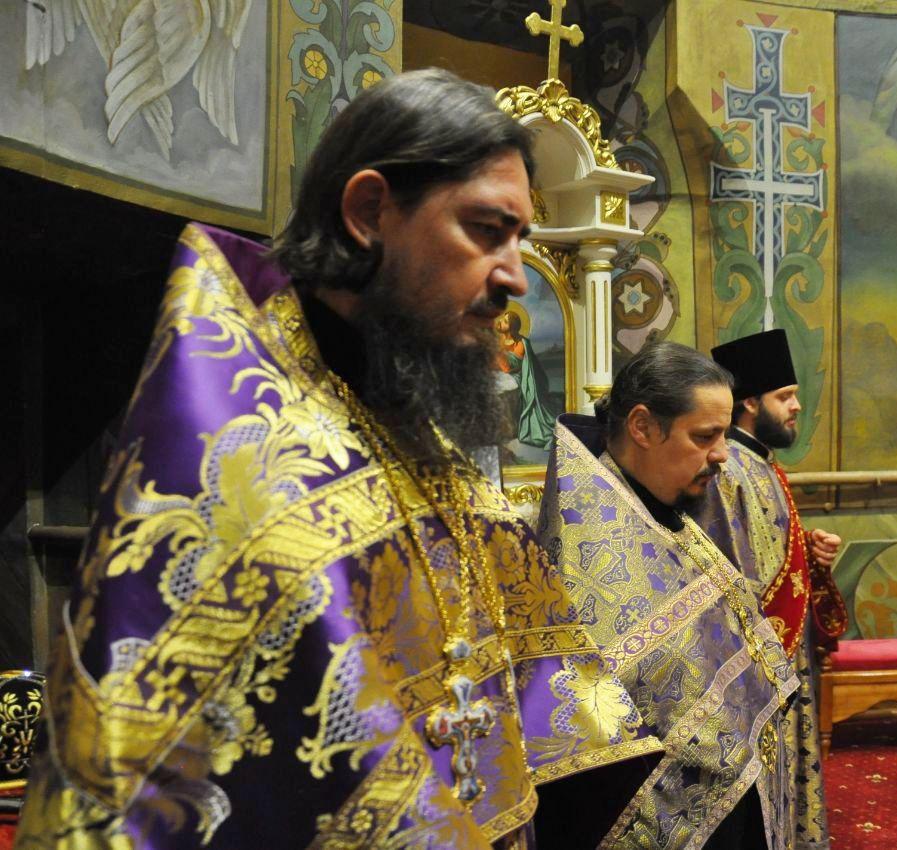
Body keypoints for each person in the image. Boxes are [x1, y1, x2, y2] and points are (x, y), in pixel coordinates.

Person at [14, 69, 660, 849]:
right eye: (486, 231)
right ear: (367, 212)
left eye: (520, 239)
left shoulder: (419, 434)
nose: (514, 277)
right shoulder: (234, 449)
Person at [536, 341, 799, 850]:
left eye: (723, 434)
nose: (722, 454)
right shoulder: (587, 542)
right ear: (642, 426)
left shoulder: (663, 509)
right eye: (705, 436)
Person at [690, 329, 848, 850]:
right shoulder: (728, 468)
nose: (797, 406)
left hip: (784, 650)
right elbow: (730, 560)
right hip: (757, 660)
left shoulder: (760, 462)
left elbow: (769, 548)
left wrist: (808, 549)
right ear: (751, 403)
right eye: (786, 396)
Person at [495, 308, 557, 451]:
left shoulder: (521, 343)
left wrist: (497, 353)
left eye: (505, 321)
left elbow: (508, 367)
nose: (500, 322)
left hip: (516, 376)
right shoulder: (498, 341)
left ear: (512, 326)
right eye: (502, 319)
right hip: (499, 374)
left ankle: (507, 428)